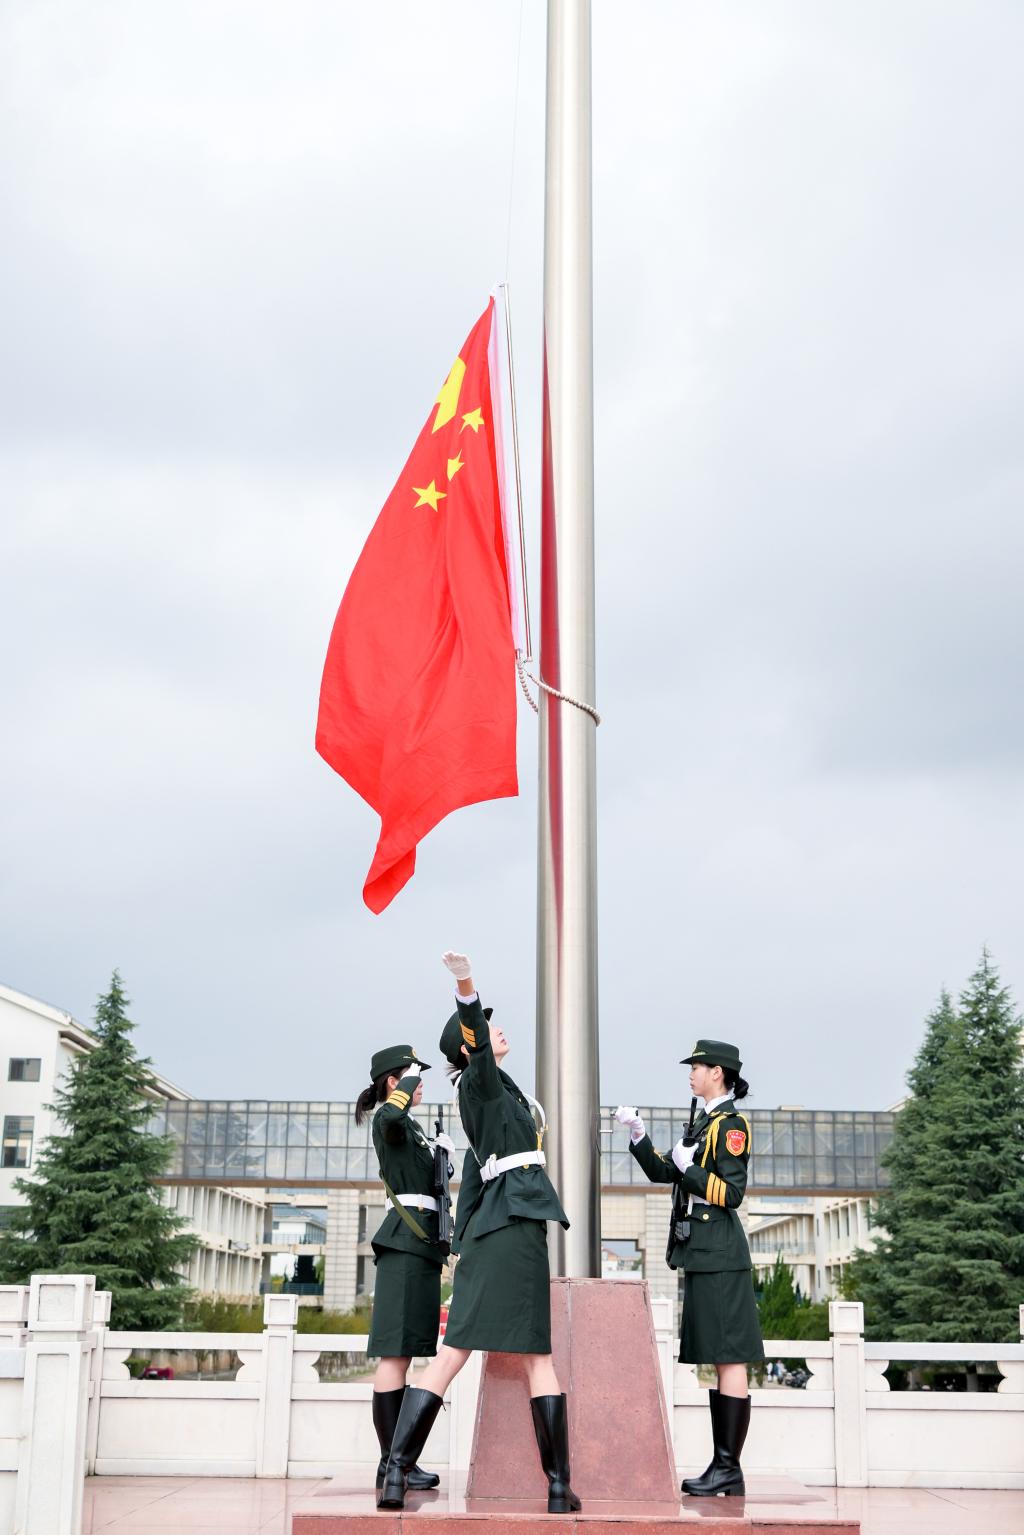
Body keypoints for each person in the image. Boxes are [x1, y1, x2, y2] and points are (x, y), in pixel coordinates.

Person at [377, 951, 582, 1515]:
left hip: (499, 1225)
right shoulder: (480, 1081)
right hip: (513, 1226)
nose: (498, 1029)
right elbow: (475, 1037)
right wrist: (465, 984)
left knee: (456, 1353)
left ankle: (395, 1474)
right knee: (534, 1358)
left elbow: (478, 1170)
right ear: (470, 1048)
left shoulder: (494, 1088)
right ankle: (558, 1487)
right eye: (487, 1029)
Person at [615, 1038, 764, 1497]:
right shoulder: (704, 1122)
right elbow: (666, 1172)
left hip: (720, 1252)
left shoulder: (731, 1125)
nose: (691, 1073)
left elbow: (732, 1193)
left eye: (697, 1066)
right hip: (702, 1252)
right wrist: (639, 1136)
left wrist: (691, 1170)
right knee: (719, 1357)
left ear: (717, 1072)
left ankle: (728, 1468)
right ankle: (723, 1467)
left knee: (728, 1357)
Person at [355, 1043, 452, 1493]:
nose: (420, 1085)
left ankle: (400, 1461)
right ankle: (392, 1463)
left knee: (408, 1352)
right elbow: (390, 1117)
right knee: (395, 1353)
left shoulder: (412, 1128)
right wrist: (406, 1084)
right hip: (404, 1243)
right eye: (414, 1077)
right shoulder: (389, 1120)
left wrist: (442, 1158)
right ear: (394, 1082)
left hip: (422, 1246)